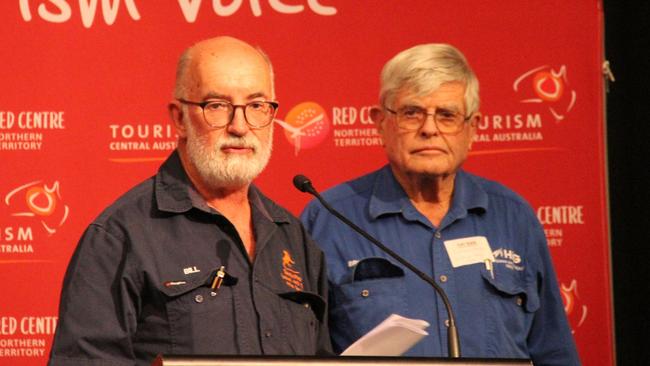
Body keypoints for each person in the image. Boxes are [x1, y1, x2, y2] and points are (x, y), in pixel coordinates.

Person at [49, 36, 331, 366]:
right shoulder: (119, 236)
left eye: (256, 106)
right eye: (217, 106)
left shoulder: (292, 236)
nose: (239, 126)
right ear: (179, 118)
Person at [300, 43, 580, 364]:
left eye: (447, 115)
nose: (429, 129)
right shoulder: (328, 220)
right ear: (380, 124)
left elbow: (553, 349)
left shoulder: (514, 217)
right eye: (411, 113)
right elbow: (303, 351)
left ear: (472, 128)